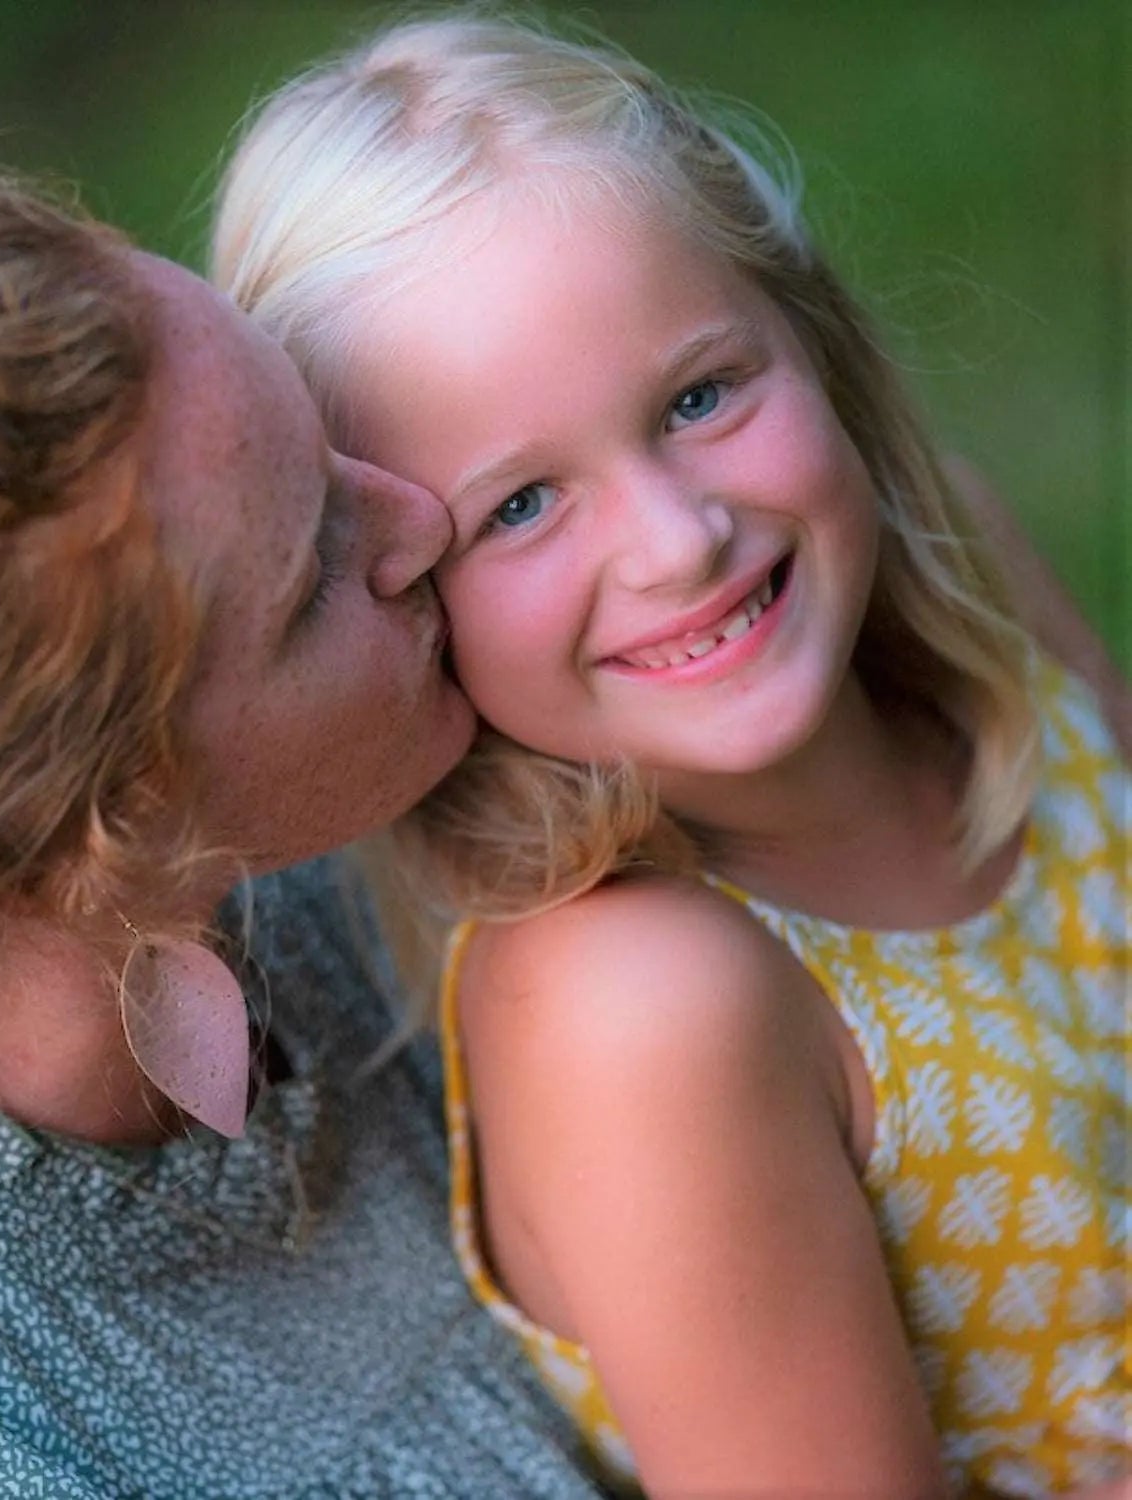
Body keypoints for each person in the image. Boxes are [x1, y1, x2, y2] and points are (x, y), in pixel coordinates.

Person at [211, 16, 1129, 1499]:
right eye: (518, 507)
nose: (677, 539)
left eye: (701, 398)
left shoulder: (963, 581)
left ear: (808, 332)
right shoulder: (640, 1005)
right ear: (396, 583)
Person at [0, 174, 612, 1498]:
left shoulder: (322, 819)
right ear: (98, 832)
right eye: (314, 565)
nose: (419, 520)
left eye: (314, 433)